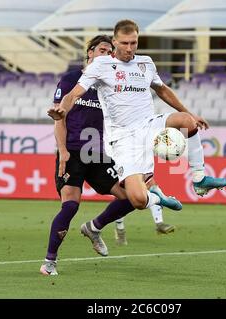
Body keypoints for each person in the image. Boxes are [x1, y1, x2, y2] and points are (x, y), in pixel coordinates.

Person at [48, 19, 226, 218]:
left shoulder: (145, 63)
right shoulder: (102, 65)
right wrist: (62, 110)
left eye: (133, 43)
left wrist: (190, 112)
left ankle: (199, 178)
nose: (129, 48)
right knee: (137, 199)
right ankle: (156, 198)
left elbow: (162, 89)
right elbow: (73, 94)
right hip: (123, 138)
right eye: (124, 43)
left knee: (187, 121)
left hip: (148, 124)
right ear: (115, 42)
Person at [40, 35, 180, 276]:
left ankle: (94, 227)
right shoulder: (73, 80)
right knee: (70, 207)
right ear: (90, 53)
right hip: (74, 152)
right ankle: (49, 262)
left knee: (131, 198)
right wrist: (62, 151)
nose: (107, 54)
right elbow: (60, 117)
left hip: (101, 154)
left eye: (109, 50)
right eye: (102, 49)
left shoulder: (111, 81)